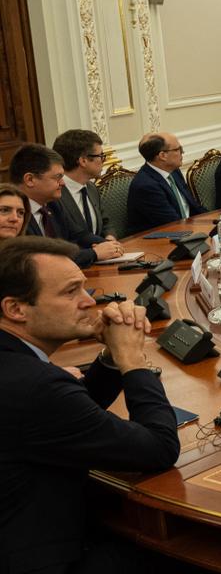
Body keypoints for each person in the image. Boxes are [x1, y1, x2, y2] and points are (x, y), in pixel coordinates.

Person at [0, 237, 180, 573]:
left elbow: (65, 417)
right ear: (16, 309)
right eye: (71, 292)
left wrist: (111, 357)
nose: (89, 301)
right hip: (44, 559)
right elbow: (159, 448)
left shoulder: (19, 368)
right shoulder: (36, 386)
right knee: (190, 551)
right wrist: (132, 359)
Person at [10, 144, 122, 267]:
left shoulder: (53, 204)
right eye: (57, 178)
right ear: (30, 180)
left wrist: (109, 245)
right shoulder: (13, 216)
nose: (63, 183)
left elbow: (78, 235)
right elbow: (45, 261)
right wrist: (94, 253)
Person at [128, 132, 207, 232]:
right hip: (164, 236)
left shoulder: (174, 171)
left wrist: (215, 221)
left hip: (186, 228)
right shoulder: (146, 186)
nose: (183, 152)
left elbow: (194, 207)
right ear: (162, 155)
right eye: (178, 149)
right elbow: (171, 223)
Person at [51, 129, 115, 240]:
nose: (103, 160)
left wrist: (110, 237)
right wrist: (99, 246)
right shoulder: (55, 195)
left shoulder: (91, 187)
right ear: (83, 161)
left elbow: (106, 222)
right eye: (101, 156)